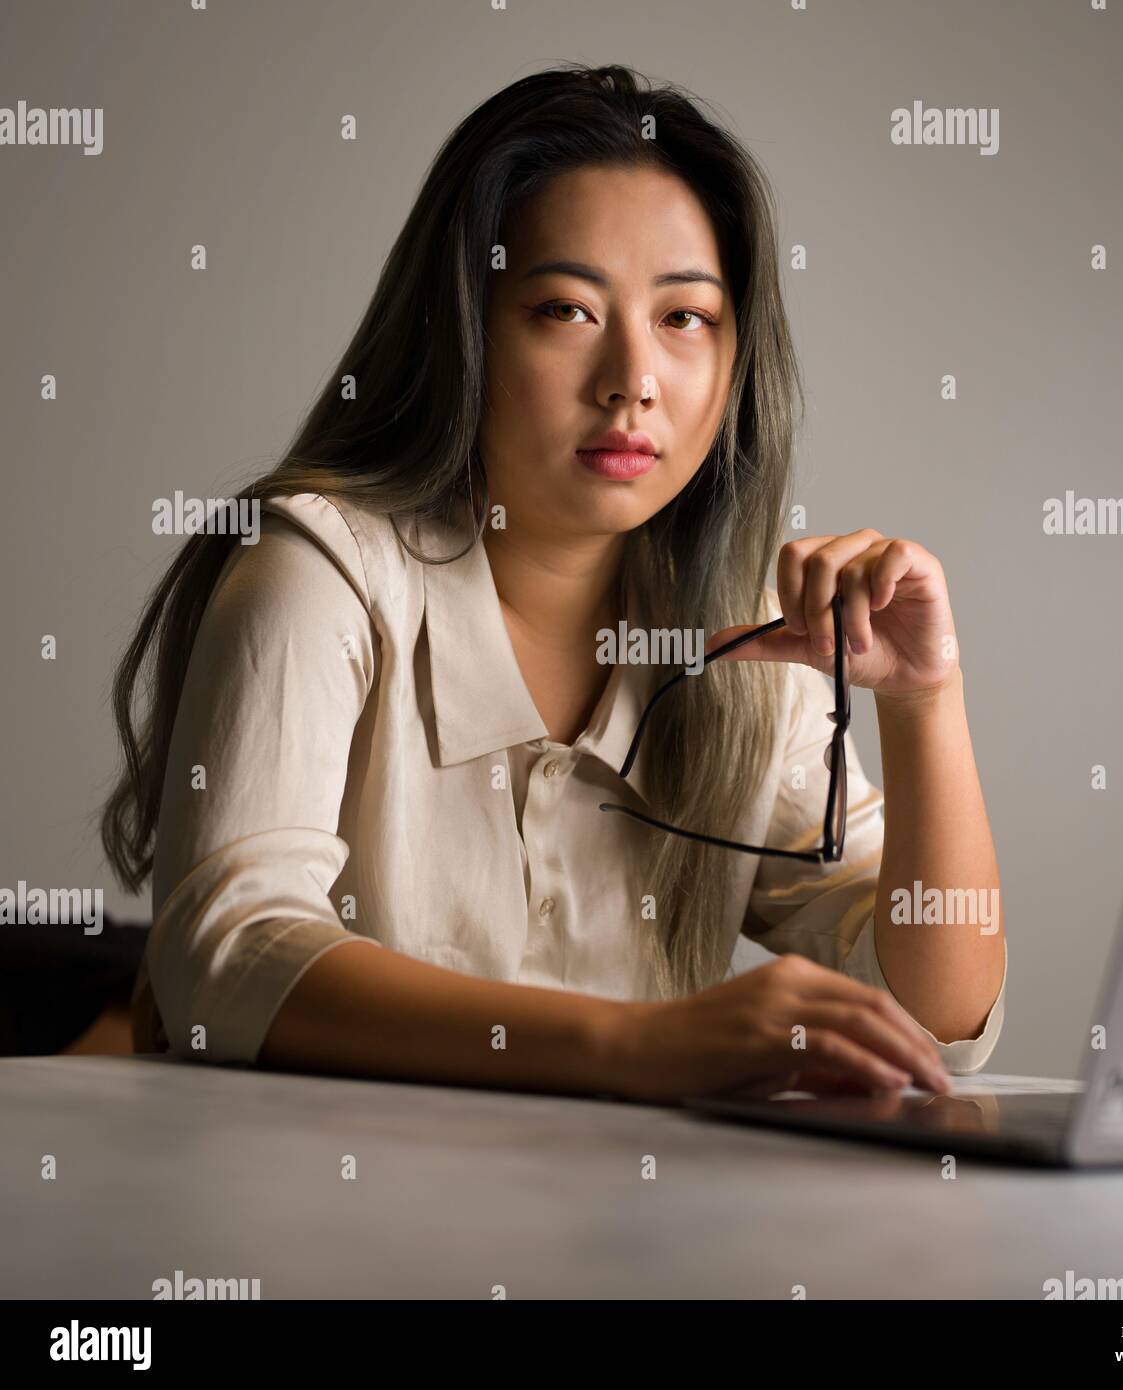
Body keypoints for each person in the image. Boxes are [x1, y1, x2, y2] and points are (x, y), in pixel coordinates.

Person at [101, 63, 1006, 1104]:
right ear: (463, 330)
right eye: (567, 310)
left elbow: (937, 1021)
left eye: (686, 319)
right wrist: (638, 1046)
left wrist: (923, 699)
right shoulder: (318, 573)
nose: (633, 377)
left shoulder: (743, 634)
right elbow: (227, 958)